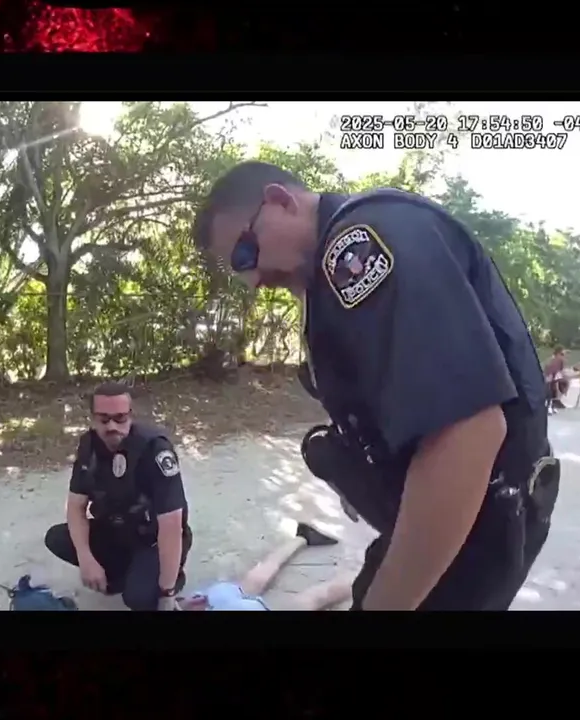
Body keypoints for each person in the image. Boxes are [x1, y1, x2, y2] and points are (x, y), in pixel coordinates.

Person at [191, 161, 560, 611]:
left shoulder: (359, 245)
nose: (253, 280)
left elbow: (468, 434)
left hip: (472, 522)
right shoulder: (327, 281)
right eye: (239, 271)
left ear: (280, 201)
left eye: (246, 254)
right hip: (452, 515)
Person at [44, 382, 193, 611]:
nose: (112, 426)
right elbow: (75, 506)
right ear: (93, 418)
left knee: (138, 599)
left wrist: (167, 593)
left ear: (130, 416)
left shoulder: (155, 450)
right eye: (104, 419)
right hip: (118, 532)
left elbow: (172, 525)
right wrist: (86, 559)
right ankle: (125, 575)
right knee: (58, 538)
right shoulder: (89, 447)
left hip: (153, 539)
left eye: (120, 418)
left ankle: (167, 578)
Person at [176, 521, 354, 611]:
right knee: (249, 584)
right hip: (210, 600)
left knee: (311, 599)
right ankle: (302, 538)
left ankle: (364, 577)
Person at [542, 346, 570, 413]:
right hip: (550, 376)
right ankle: (551, 404)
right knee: (551, 388)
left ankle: (553, 403)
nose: (563, 355)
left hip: (553, 376)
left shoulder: (557, 359)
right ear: (558, 353)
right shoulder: (554, 359)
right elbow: (548, 368)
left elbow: (561, 370)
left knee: (560, 385)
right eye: (562, 354)